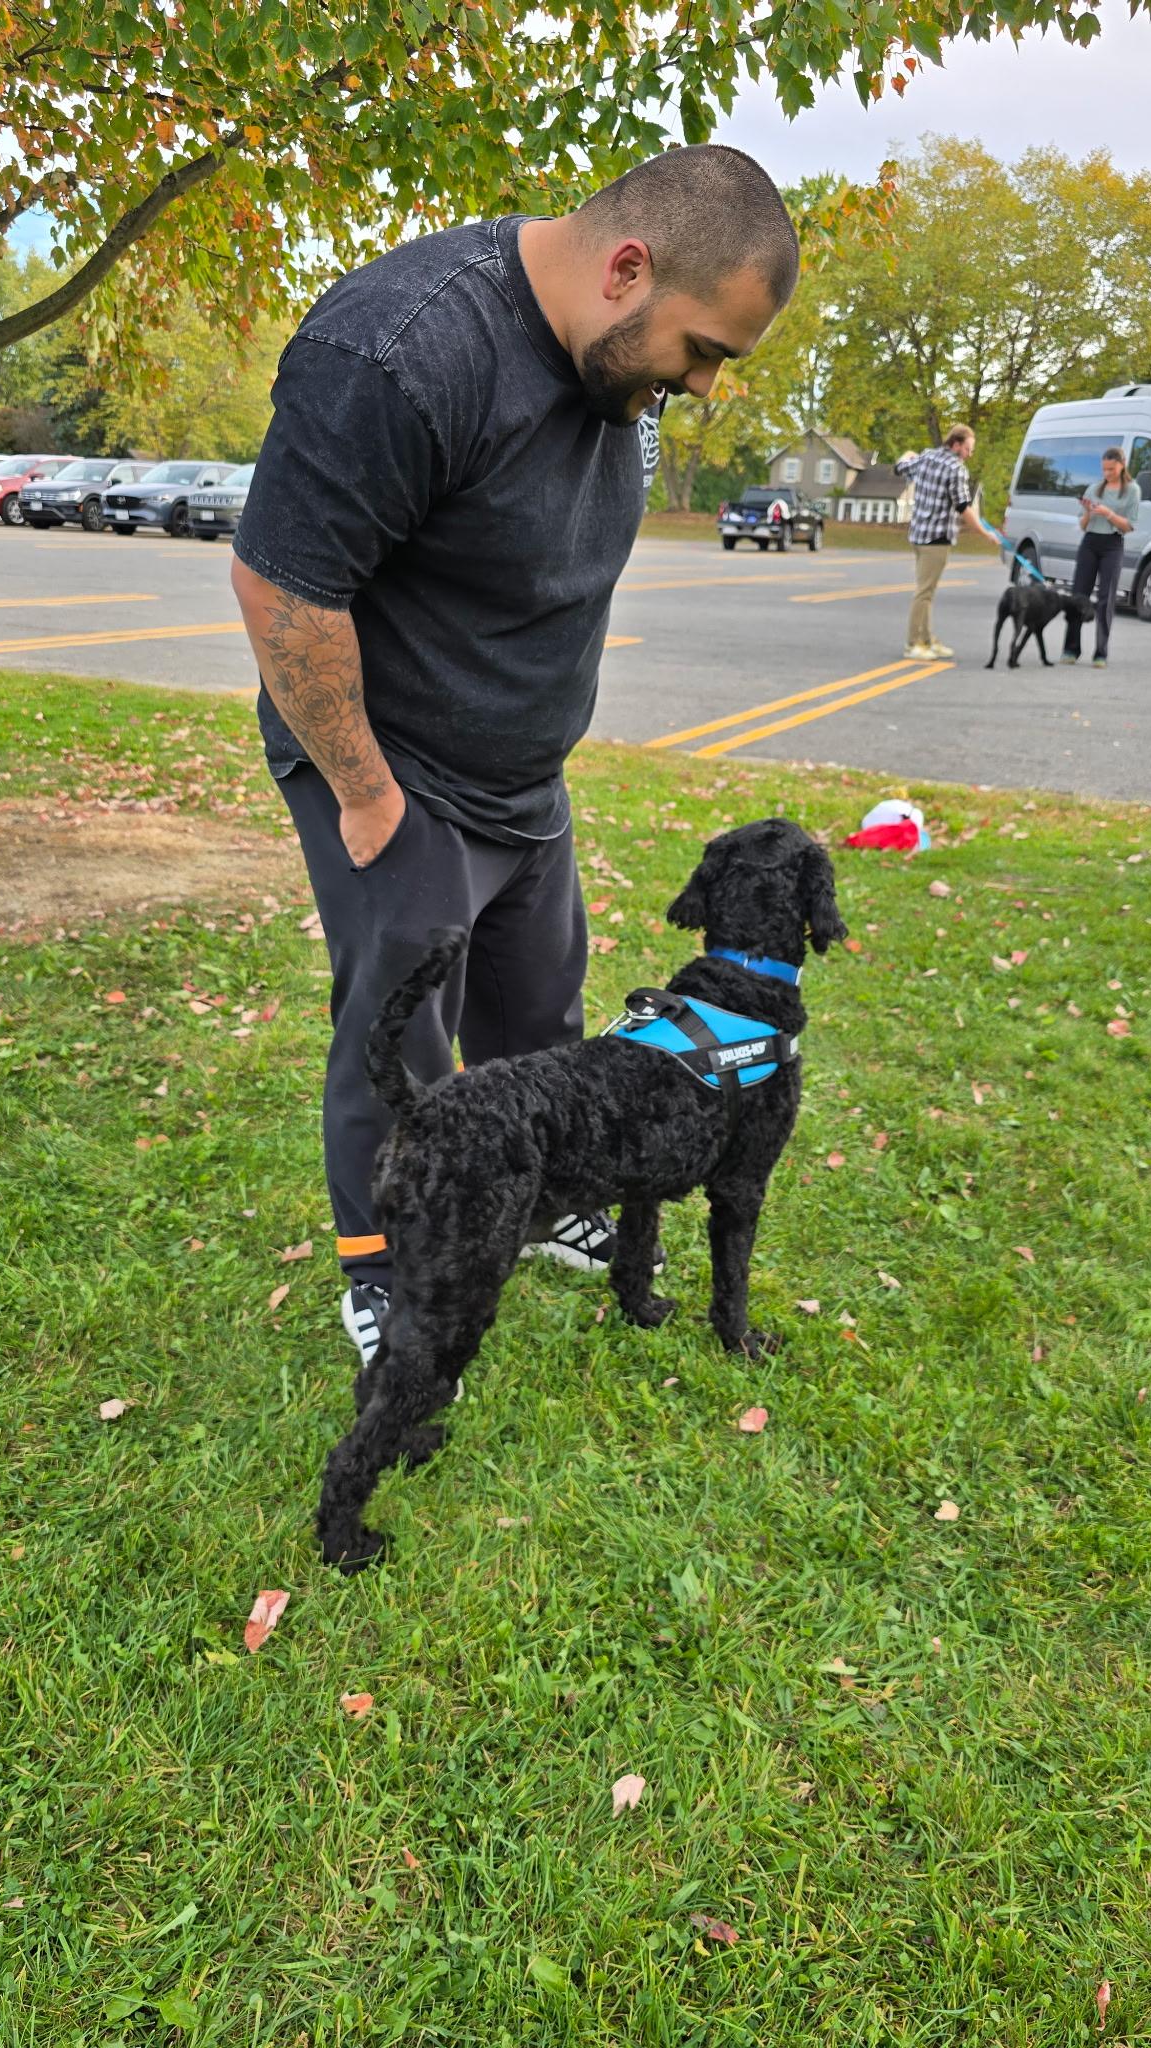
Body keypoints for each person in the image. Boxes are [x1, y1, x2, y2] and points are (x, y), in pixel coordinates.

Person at [229, 146, 799, 1365]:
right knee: (403, 1035)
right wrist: (368, 796)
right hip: (399, 768)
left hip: (524, 776)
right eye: (704, 350)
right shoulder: (403, 348)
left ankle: (540, 1202)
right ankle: (386, 1269)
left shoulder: (615, 383)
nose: (704, 384)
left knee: (541, 1014)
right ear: (627, 270)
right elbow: (284, 584)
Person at [894, 426, 997, 660]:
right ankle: (913, 644)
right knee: (924, 593)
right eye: (968, 449)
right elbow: (963, 507)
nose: (970, 454)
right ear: (956, 444)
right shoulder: (956, 469)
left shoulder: (927, 457)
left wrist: (909, 453)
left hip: (918, 535)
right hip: (937, 538)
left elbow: (900, 466)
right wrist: (984, 533)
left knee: (927, 592)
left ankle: (927, 639)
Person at [1062, 446, 1139, 668]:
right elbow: (1083, 525)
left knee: (1106, 598)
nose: (1107, 474)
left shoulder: (1132, 490)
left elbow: (1129, 526)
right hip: (1090, 542)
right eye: (1104, 469)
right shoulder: (1094, 488)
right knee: (1079, 595)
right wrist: (1088, 511)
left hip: (1112, 544)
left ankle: (1100, 652)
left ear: (1122, 465)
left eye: (1111, 469)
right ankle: (1071, 648)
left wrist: (1109, 514)